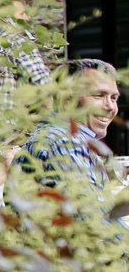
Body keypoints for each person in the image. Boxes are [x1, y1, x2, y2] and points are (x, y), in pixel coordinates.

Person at [20, 58, 119, 197]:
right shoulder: (65, 141)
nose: (110, 107)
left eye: (114, 98)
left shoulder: (59, 136)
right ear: (67, 100)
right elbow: (88, 208)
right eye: (98, 95)